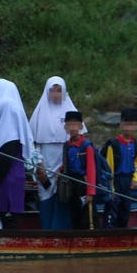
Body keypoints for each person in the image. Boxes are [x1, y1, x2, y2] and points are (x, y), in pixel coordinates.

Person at [29, 76, 83, 229]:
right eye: (52, 90)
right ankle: (46, 232)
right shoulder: (39, 113)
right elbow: (34, 143)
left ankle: (62, 233)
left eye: (59, 90)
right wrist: (39, 165)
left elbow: (77, 140)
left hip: (64, 166)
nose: (55, 94)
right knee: (45, 197)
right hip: (45, 165)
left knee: (64, 196)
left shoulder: (70, 112)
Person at [0, 94, 34, 229]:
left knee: (8, 219)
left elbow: (5, 162)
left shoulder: (10, 135)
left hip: (6, 182)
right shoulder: (6, 131)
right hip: (7, 181)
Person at [103, 108, 137, 228]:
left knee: (125, 211)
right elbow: (109, 168)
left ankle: (122, 235)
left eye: (133, 125)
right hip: (115, 181)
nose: (129, 128)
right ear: (121, 125)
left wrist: (135, 178)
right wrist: (111, 188)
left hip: (127, 181)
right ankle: (108, 235)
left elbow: (135, 163)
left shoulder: (136, 144)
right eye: (126, 124)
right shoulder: (113, 145)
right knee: (112, 211)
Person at [62, 111, 96, 229]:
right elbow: (67, 163)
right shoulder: (67, 145)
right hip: (72, 185)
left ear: (81, 126)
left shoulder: (87, 146)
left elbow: (91, 170)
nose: (72, 128)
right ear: (65, 127)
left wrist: (90, 192)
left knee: (87, 218)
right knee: (74, 215)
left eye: (75, 124)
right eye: (69, 125)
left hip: (84, 183)